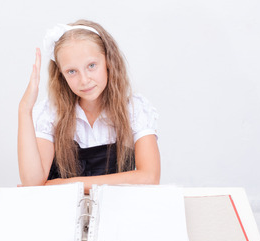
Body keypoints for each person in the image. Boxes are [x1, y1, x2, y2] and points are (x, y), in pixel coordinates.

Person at [18, 20, 160, 194]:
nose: (84, 80)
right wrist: (24, 110)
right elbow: (33, 183)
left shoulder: (135, 108)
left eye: (91, 66)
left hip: (117, 213)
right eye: (72, 71)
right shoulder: (51, 113)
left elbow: (149, 177)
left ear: (108, 61)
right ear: (61, 74)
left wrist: (65, 184)